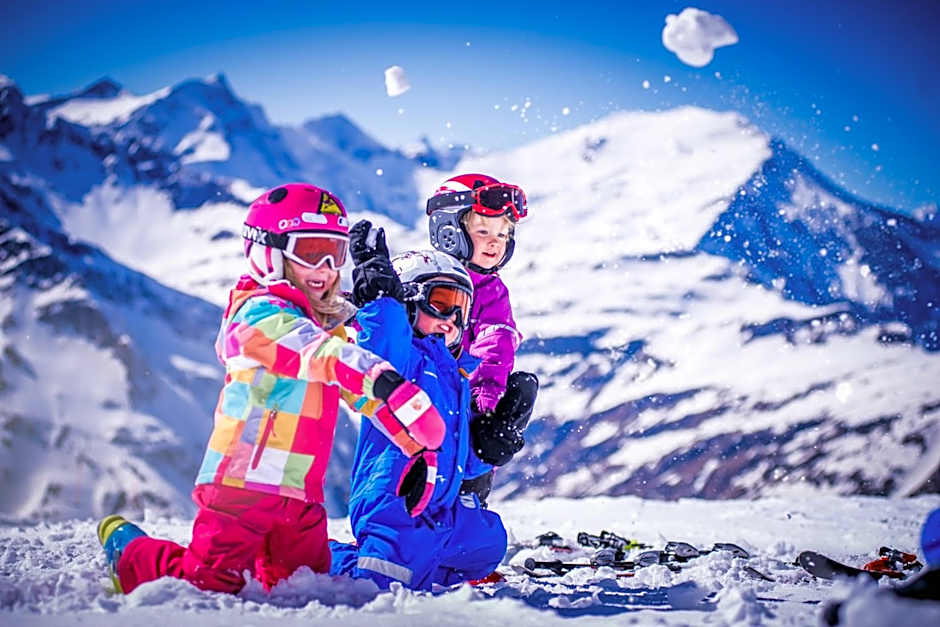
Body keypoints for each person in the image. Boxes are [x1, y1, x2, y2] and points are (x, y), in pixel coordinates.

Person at [96, 183, 447, 595]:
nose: (326, 268)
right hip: (241, 485)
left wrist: (417, 446)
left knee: (304, 586)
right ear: (269, 252)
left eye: (335, 255)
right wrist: (384, 380)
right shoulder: (259, 316)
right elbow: (321, 356)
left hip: (302, 494)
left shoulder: (322, 327)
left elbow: (359, 392)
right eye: (311, 252)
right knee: (210, 581)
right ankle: (130, 554)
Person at [330, 221, 507, 590]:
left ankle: (424, 563)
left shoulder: (456, 377)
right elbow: (380, 345)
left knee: (488, 544)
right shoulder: (403, 362)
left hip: (443, 508)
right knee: (385, 580)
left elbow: (458, 453)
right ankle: (325, 556)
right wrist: (381, 301)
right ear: (410, 303)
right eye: (442, 304)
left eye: (462, 309)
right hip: (395, 505)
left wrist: (490, 444)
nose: (453, 321)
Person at [425, 173, 539, 504]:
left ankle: (468, 513)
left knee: (465, 506)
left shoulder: (491, 291)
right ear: (449, 233)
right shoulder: (421, 276)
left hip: (469, 406)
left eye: (503, 234)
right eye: (483, 231)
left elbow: (496, 340)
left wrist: (487, 392)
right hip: (421, 406)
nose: (495, 242)